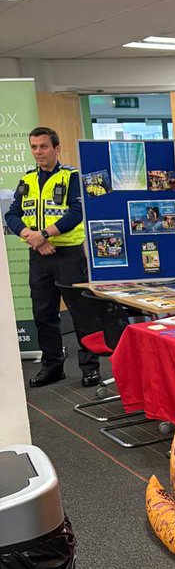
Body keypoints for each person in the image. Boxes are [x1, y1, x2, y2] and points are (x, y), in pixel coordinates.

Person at [4, 126, 100, 388]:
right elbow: (11, 215)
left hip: (69, 255)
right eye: (34, 147)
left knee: (81, 312)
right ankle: (52, 366)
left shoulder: (71, 177)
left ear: (56, 149)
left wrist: (44, 234)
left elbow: (77, 211)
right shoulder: (27, 180)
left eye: (43, 146)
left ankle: (90, 367)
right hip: (39, 256)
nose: (38, 152)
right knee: (43, 314)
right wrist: (29, 235)